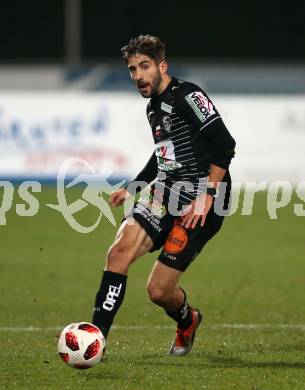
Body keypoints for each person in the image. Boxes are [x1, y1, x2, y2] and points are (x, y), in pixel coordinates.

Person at [92, 35, 236, 356]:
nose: (138, 75)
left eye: (144, 66)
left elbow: (225, 144)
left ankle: (187, 320)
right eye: (132, 69)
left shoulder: (190, 95)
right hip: (167, 190)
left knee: (158, 291)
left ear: (162, 65)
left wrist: (208, 194)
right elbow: (163, 156)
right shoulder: (152, 108)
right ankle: (96, 338)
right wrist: (132, 188)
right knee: (118, 254)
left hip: (203, 199)